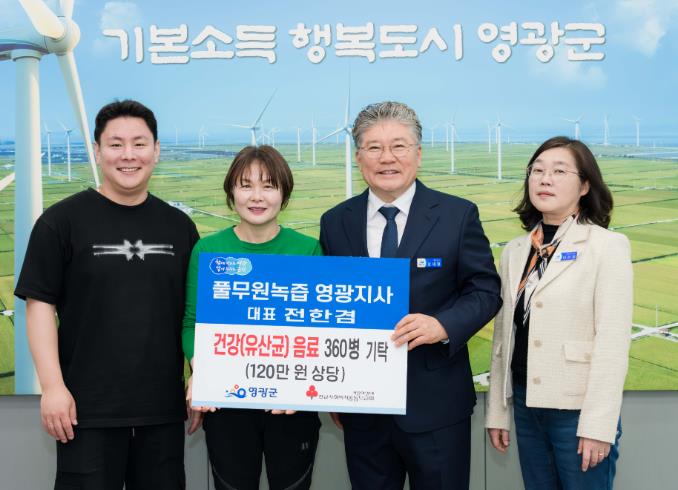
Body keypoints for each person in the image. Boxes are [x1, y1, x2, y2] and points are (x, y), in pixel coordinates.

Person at [14, 99, 199, 489]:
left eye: (139, 143)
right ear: (97, 152)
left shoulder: (180, 226)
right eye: (116, 144)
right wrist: (52, 387)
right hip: (84, 412)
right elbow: (39, 306)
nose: (128, 155)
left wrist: (202, 377)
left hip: (161, 410)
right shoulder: (60, 222)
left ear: (156, 150)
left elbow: (194, 313)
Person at [319, 101, 502, 490]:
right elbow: (330, 304)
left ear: (418, 154)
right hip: (362, 406)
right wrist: (334, 387)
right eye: (374, 147)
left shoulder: (457, 215)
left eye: (399, 146)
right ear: (358, 157)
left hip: (436, 404)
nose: (387, 158)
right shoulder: (335, 222)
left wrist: (443, 325)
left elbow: (486, 290)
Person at [485, 136, 632, 490]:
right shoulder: (516, 250)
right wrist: (498, 411)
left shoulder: (606, 247)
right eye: (537, 171)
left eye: (559, 171)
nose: (545, 179)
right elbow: (504, 337)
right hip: (526, 404)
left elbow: (612, 343)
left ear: (585, 186)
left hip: (577, 412)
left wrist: (598, 426)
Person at [183, 145, 322, 490]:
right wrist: (204, 371)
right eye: (246, 185)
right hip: (227, 404)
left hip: (291, 404)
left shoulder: (308, 250)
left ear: (284, 194)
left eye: (269, 186)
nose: (257, 196)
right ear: (231, 193)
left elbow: (320, 328)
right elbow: (192, 322)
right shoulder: (208, 250)